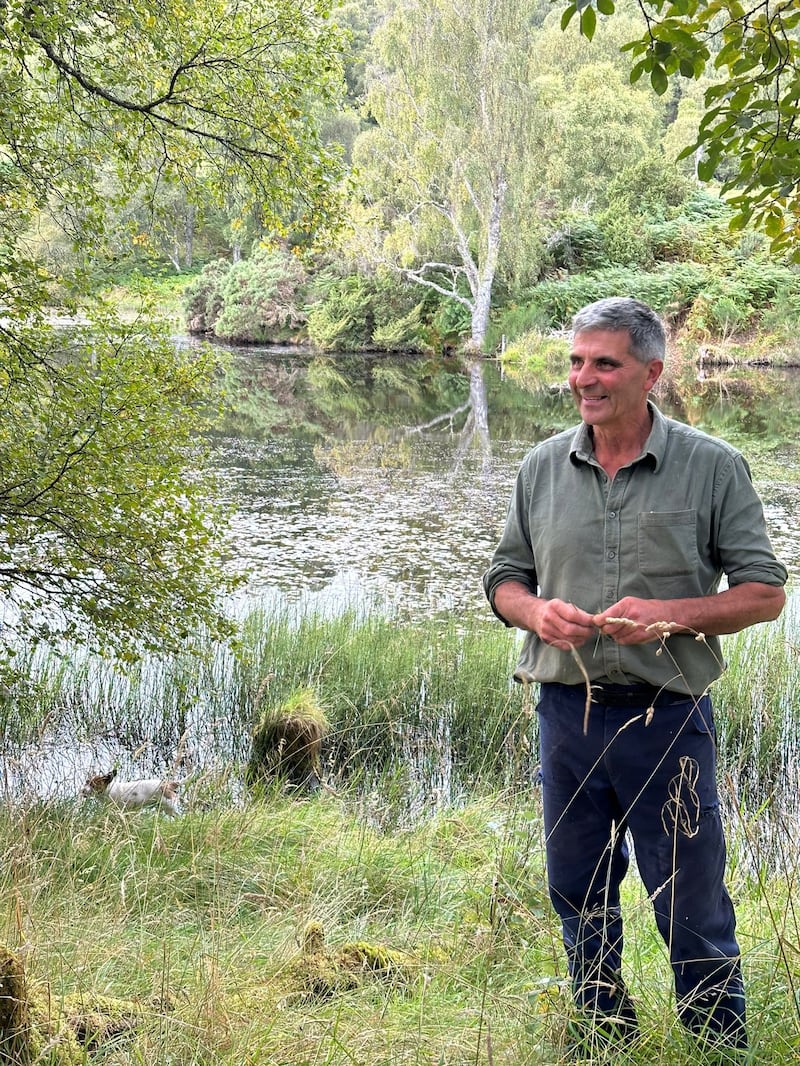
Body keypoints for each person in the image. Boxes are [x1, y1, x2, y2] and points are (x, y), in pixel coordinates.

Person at [482, 296, 787, 1053]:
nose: (584, 378)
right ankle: (604, 1034)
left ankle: (720, 1045)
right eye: (577, 362)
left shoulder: (714, 466)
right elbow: (503, 579)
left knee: (691, 902)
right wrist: (533, 613)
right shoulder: (541, 466)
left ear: (652, 372)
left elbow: (765, 592)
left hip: (668, 722)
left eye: (604, 363)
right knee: (576, 891)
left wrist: (671, 614)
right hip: (566, 717)